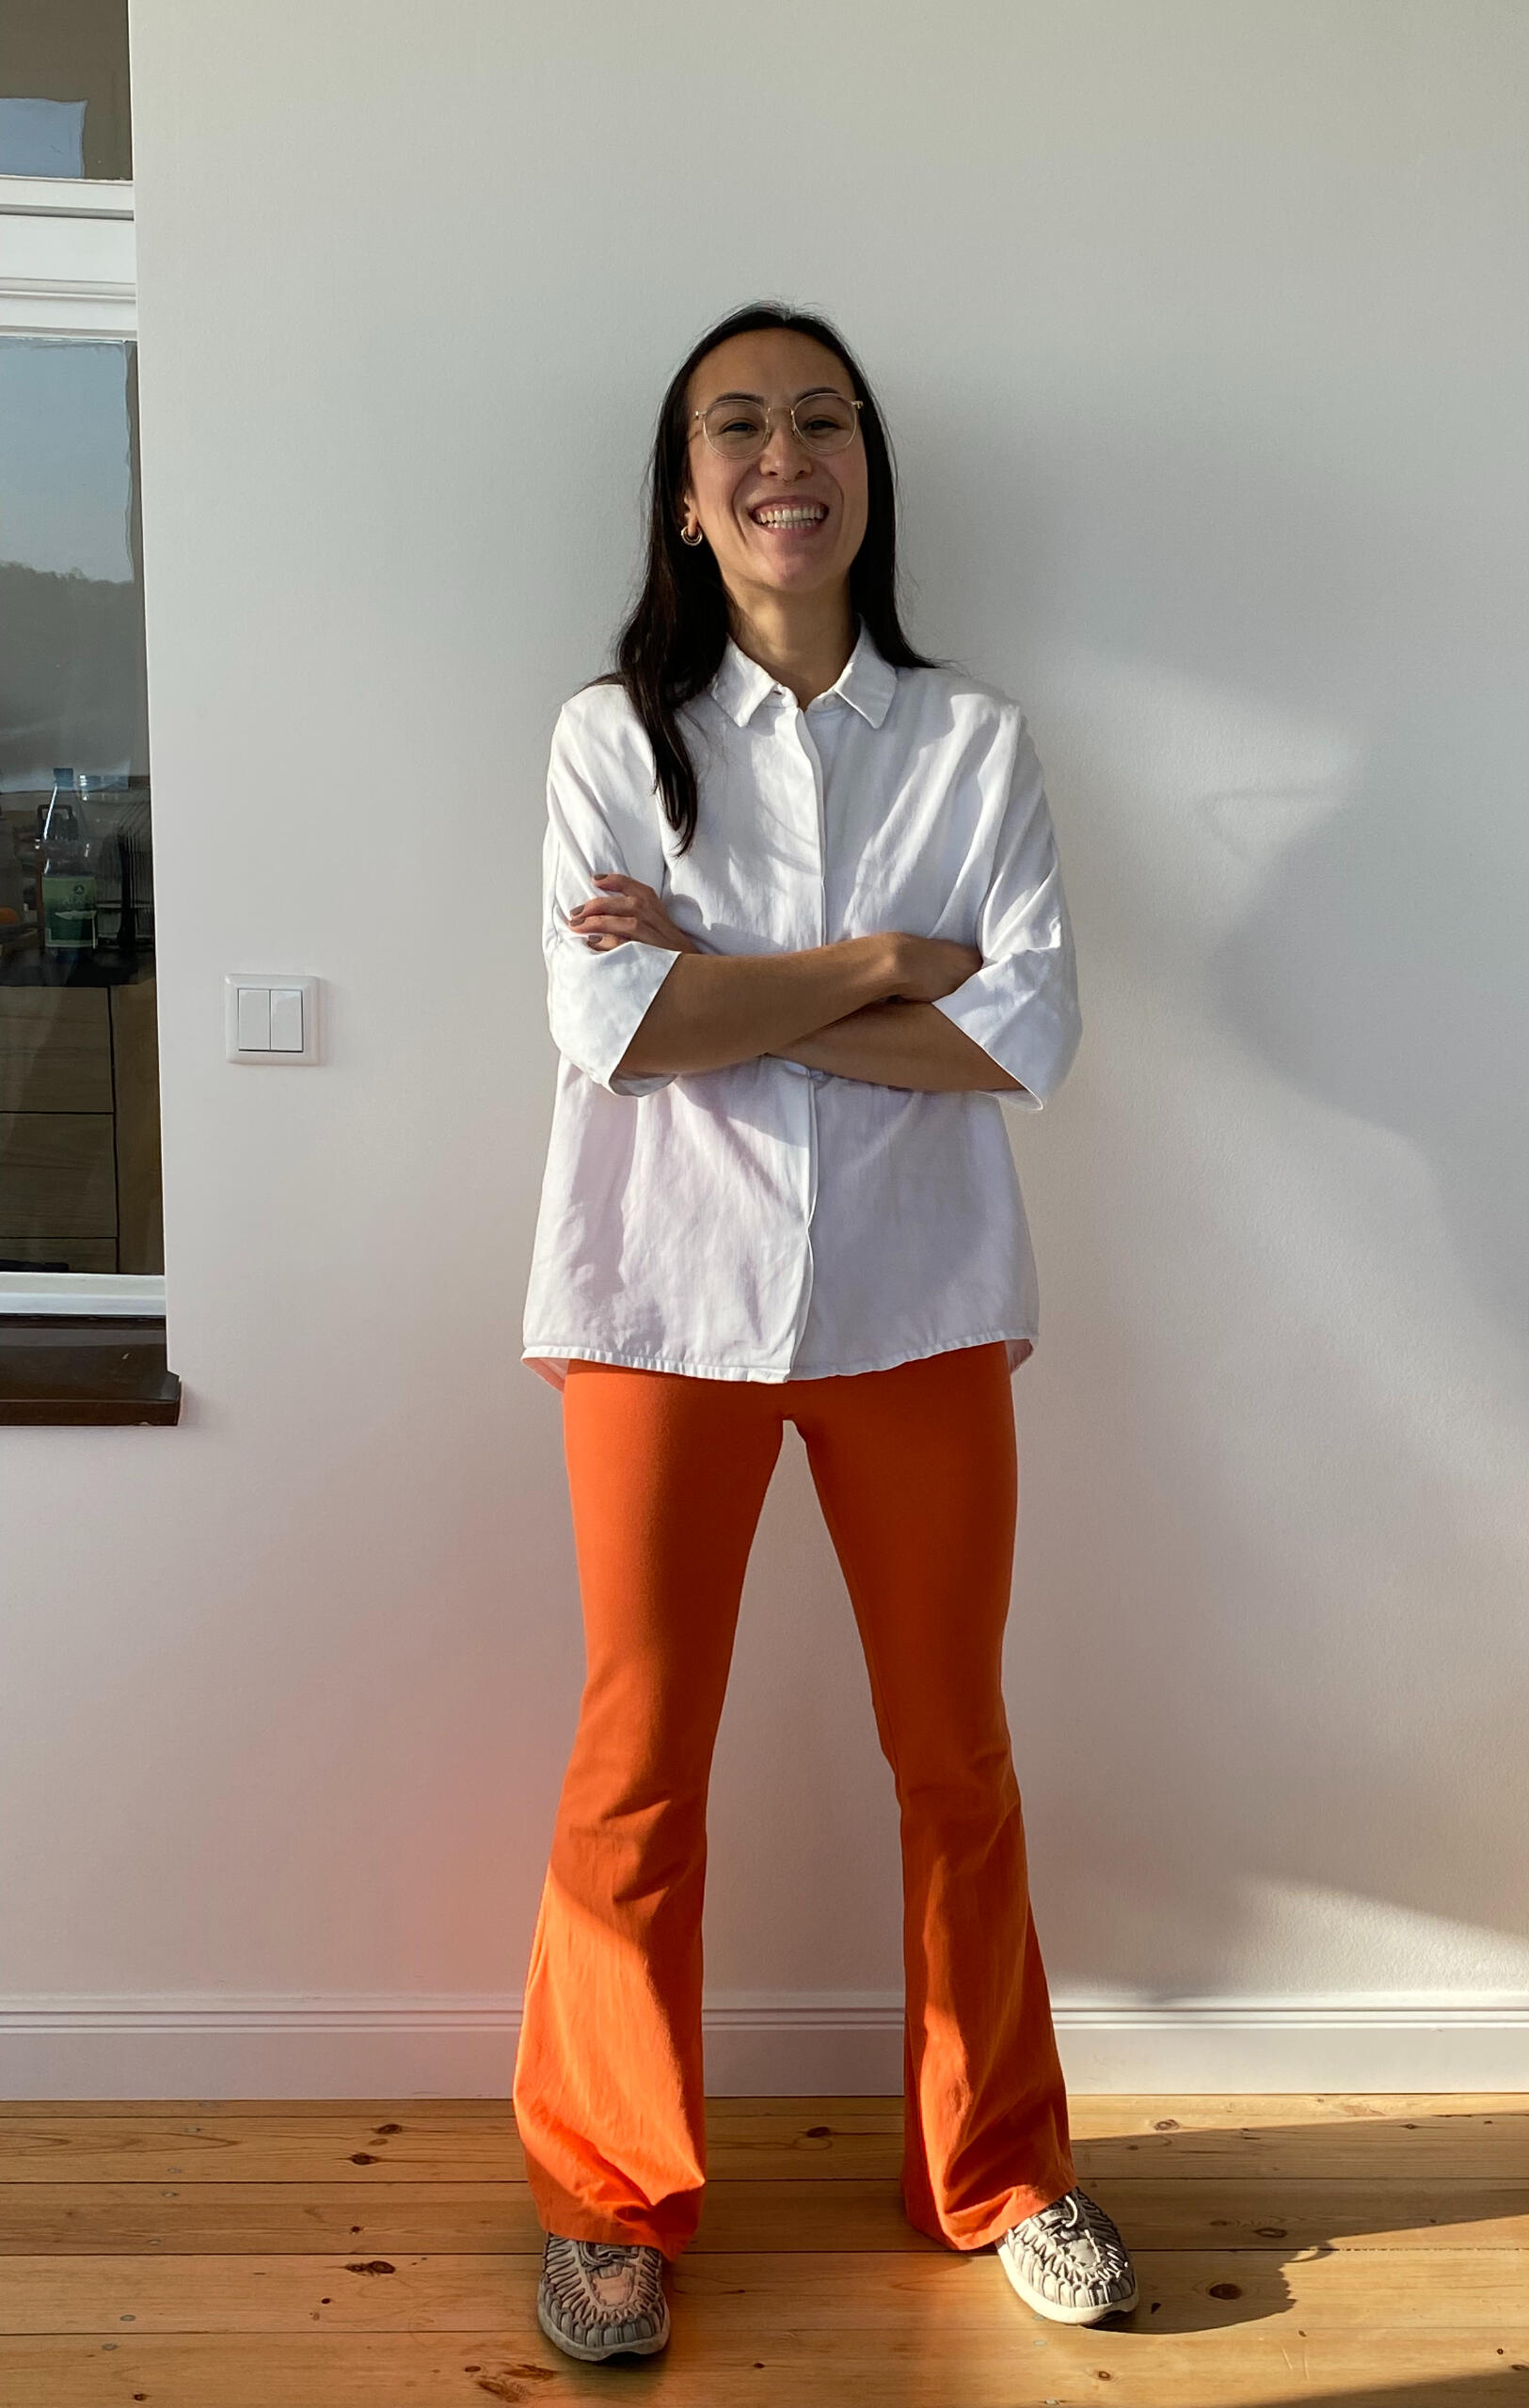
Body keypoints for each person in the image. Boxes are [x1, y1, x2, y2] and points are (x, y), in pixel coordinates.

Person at [513, 301, 1136, 2364]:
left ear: (866, 465)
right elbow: (618, 1030)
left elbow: (1018, 1037)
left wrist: (732, 979)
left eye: (821, 420)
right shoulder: (612, 738)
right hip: (656, 1307)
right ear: (688, 503)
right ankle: (612, 2192)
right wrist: (876, 963)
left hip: (920, 1305)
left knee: (956, 1752)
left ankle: (1003, 2165)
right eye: (740, 428)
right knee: (635, 1764)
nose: (787, 454)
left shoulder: (977, 745)